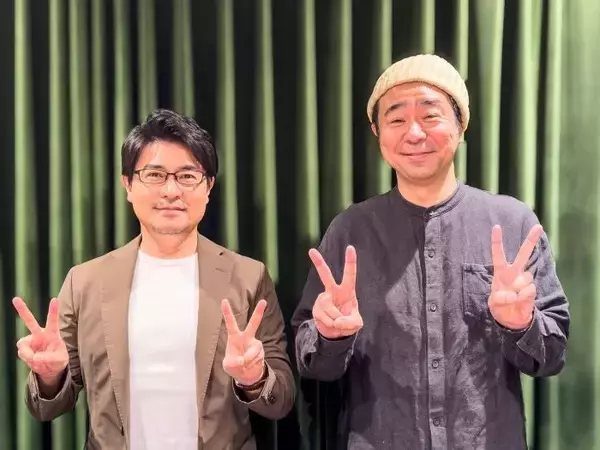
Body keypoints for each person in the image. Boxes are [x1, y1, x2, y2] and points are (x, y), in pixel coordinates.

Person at [291, 54, 569, 449]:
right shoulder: (349, 231)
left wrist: (521, 325)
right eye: (396, 120)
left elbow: (552, 355)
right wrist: (329, 336)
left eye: (430, 115)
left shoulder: (512, 224)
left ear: (460, 125)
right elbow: (312, 362)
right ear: (377, 132)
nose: (414, 133)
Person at [13, 109, 295, 449]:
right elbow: (46, 408)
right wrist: (49, 376)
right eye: (155, 175)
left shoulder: (248, 277)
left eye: (188, 176)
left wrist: (254, 378)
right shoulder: (85, 282)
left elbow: (281, 401)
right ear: (128, 185)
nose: (171, 191)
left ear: (208, 187)